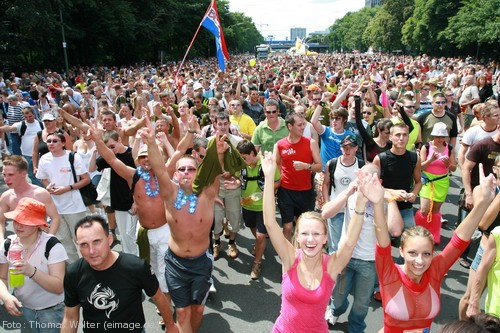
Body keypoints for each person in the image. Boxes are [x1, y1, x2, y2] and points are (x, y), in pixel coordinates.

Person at [262, 150, 384, 333]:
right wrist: (270, 176)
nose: (310, 239)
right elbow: (270, 223)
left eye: (316, 234)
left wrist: (360, 203)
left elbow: (349, 242)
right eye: (304, 233)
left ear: (325, 238)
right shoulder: (289, 258)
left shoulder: (332, 266)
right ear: (297, 237)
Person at [143, 121, 246, 332]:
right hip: (175, 263)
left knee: (198, 311)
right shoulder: (170, 194)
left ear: (198, 172)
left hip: (201, 264)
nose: (187, 172)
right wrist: (152, 142)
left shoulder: (208, 193)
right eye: (182, 169)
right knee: (181, 312)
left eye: (191, 169)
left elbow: (216, 168)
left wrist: (217, 152)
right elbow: (160, 169)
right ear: (176, 174)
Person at [372, 163, 497, 333]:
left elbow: (459, 241)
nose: (420, 260)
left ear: (433, 254)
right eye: (412, 253)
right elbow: (382, 242)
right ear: (401, 251)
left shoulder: (435, 269)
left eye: (426, 254)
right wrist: (378, 203)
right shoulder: (389, 272)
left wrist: (484, 202)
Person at [61, 215, 178, 333]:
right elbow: (70, 316)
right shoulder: (73, 273)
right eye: (84, 244)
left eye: (96, 242)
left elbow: (158, 297)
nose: (91, 251)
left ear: (110, 239)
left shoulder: (136, 267)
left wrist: (171, 325)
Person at [0, 198, 67, 333]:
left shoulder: (52, 246)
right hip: (25, 308)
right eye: (16, 220)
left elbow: (58, 287)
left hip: (53, 310)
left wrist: (31, 271)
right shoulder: (8, 244)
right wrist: (6, 297)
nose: (19, 225)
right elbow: (2, 277)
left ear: (38, 224)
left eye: (25, 221)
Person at [36, 131, 90, 262]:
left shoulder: (73, 157)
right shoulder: (44, 159)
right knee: (64, 241)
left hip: (74, 206)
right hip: (55, 208)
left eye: (55, 141)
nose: (51, 144)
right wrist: (48, 186)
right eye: (49, 141)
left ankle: (90, 264)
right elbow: (43, 178)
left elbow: (86, 179)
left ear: (63, 143)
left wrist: (68, 188)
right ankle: (75, 268)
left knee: (82, 238)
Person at [274, 112, 322, 241]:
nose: (302, 128)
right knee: (288, 227)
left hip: (305, 191)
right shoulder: (279, 145)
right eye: (299, 125)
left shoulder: (311, 143)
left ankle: (301, 253)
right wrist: (276, 185)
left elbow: (319, 166)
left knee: (304, 227)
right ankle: (286, 256)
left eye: (303, 125)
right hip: (286, 191)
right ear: (290, 126)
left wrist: (306, 166)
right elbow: (277, 165)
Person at [236, 140, 281, 279]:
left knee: (261, 236)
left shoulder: (267, 164)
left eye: (244, 157)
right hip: (247, 204)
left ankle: (257, 262)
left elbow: (278, 181)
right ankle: (260, 243)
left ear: (251, 153)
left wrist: (266, 191)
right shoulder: (241, 166)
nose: (242, 161)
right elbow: (239, 179)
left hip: (264, 206)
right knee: (254, 229)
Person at [0, 156, 60, 243]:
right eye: (4, 175)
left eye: (11, 175)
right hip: (20, 242)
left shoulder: (40, 193)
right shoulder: (6, 197)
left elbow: (55, 218)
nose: (6, 179)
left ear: (23, 174)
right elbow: (1, 221)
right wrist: (1, 241)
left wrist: (48, 239)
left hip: (41, 238)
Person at [415, 122, 457, 244]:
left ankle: (432, 235)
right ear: (433, 136)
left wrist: (448, 163)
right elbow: (420, 167)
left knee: (435, 210)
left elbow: (454, 168)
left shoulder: (449, 148)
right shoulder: (426, 147)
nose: (439, 139)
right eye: (437, 136)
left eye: (442, 136)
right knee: (424, 209)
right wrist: (430, 160)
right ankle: (418, 233)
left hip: (442, 181)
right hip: (427, 180)